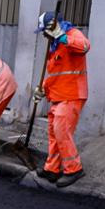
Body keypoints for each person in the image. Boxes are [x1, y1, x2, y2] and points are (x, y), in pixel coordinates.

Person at [34, 10, 90, 188]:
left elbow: (84, 47)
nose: (43, 35)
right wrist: (42, 88)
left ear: (53, 28)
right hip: (58, 96)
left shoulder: (71, 35)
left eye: (45, 31)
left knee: (62, 133)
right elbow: (56, 73)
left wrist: (63, 36)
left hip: (71, 95)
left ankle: (74, 169)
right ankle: (52, 168)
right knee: (54, 133)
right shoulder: (55, 45)